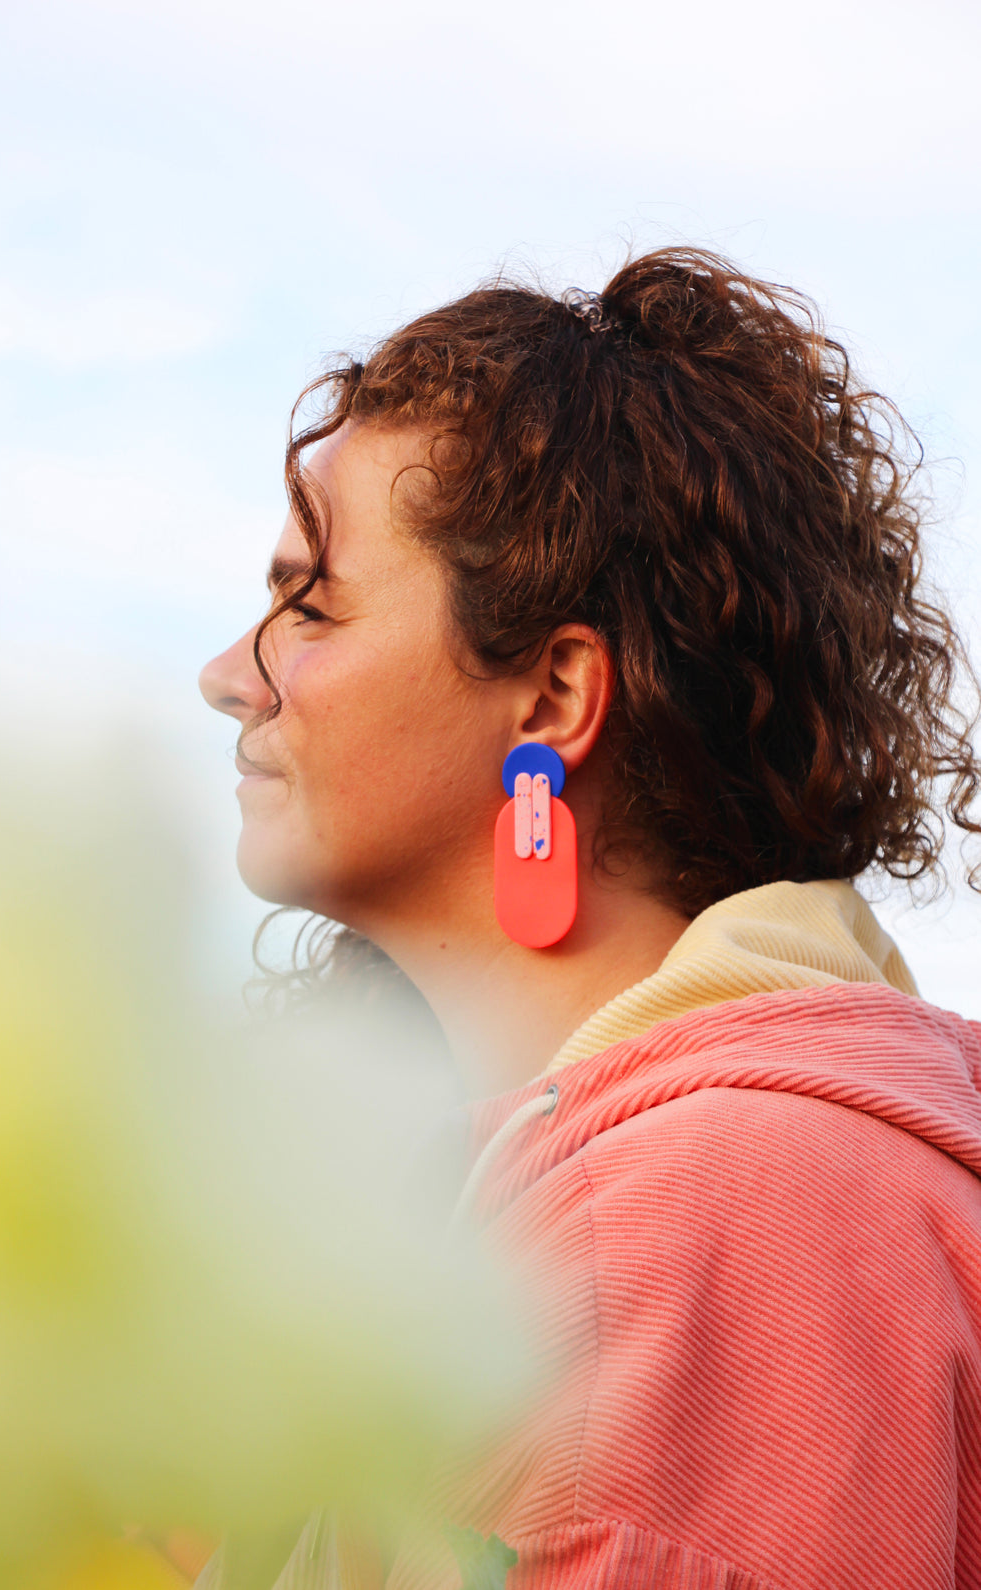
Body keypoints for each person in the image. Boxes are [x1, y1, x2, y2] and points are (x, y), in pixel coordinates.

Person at [199, 247, 981, 1589]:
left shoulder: (701, 1222)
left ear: (555, 700)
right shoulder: (584, 1203)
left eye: (309, 606)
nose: (230, 677)